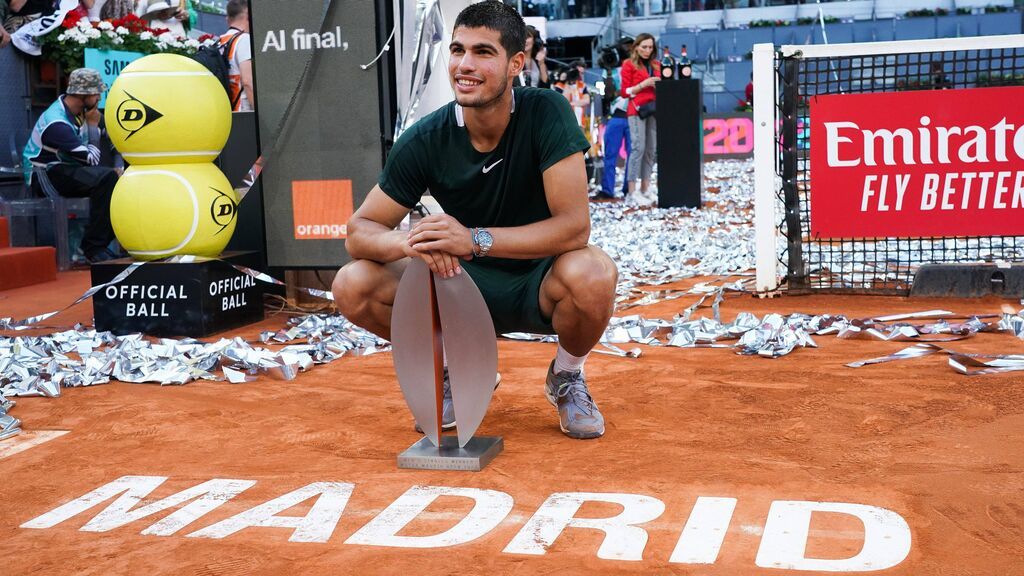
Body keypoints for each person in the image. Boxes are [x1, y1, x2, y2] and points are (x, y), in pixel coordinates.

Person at [332, 1, 617, 440]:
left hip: (540, 278)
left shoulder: (546, 112)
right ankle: (457, 366)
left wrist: (473, 239)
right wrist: (415, 242)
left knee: (594, 273)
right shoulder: (425, 138)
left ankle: (566, 376)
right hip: (458, 282)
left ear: (515, 63)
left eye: (483, 52)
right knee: (352, 284)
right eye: (457, 49)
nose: (464, 65)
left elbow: (574, 227)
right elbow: (359, 232)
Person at [22, 68, 121, 264]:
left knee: (114, 178)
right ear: (84, 95)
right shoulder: (57, 122)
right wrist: (93, 128)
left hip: (66, 169)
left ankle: (97, 245)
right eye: (97, 93)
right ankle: (93, 247)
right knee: (106, 178)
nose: (100, 97)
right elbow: (91, 159)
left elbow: (115, 143)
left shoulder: (84, 112)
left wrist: (120, 167)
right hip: (42, 174)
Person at [619, 33, 659, 205]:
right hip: (636, 110)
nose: (647, 50)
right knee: (638, 149)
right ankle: (632, 191)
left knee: (650, 150)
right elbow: (624, 92)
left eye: (650, 47)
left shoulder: (656, 65)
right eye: (644, 47)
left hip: (654, 109)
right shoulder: (628, 65)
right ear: (636, 47)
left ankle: (645, 188)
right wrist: (643, 85)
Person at [598, 67, 629, 199]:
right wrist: (609, 74)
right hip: (616, 116)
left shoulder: (636, 67)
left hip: (633, 115)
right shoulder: (609, 71)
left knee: (633, 155)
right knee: (610, 154)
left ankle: (629, 188)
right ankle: (607, 190)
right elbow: (606, 94)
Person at [220, 0, 253, 112]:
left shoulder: (219, 41)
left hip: (227, 110)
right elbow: (247, 82)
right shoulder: (244, 40)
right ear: (248, 16)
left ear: (227, 19)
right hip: (243, 109)